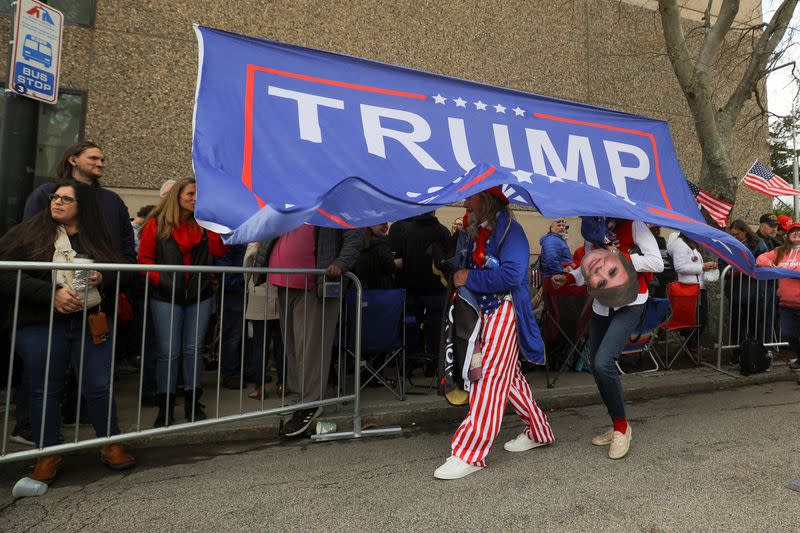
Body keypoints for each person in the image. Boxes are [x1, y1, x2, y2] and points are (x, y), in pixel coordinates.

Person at [0, 180, 136, 482]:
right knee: (44, 388)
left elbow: (126, 273)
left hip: (90, 322)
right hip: (40, 324)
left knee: (99, 384)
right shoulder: (27, 234)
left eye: (66, 199)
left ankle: (109, 443)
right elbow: (5, 273)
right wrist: (52, 294)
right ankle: (47, 453)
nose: (57, 202)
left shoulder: (98, 239)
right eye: (55, 197)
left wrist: (104, 277)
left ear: (82, 207)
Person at [433, 186, 553, 480]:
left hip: (502, 312)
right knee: (508, 377)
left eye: (471, 200)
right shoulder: (481, 229)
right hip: (486, 313)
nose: (465, 203)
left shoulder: (511, 232)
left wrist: (469, 277)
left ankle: (469, 452)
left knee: (488, 377)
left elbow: (513, 275)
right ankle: (539, 431)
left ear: (486, 202)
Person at [553, 217, 664, 460]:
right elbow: (589, 266)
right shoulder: (592, 228)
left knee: (604, 362)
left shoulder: (634, 224)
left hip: (630, 301)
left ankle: (622, 428)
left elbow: (657, 263)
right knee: (595, 364)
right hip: (602, 304)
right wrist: (570, 278)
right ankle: (617, 423)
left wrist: (620, 257)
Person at [137, 177, 226, 427]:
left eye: (199, 195)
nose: (195, 199)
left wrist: (213, 222)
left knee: (193, 350)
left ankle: (192, 403)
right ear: (177, 196)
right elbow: (144, 260)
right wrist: (162, 280)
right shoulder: (157, 224)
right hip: (166, 295)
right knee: (168, 353)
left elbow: (219, 252)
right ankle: (165, 407)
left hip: (200, 295)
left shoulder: (206, 225)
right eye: (190, 194)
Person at [263, 223, 361, 437]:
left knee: (311, 347)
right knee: (292, 347)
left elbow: (354, 237)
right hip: (285, 281)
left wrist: (340, 263)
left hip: (314, 285)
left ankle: (311, 401)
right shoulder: (295, 198)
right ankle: (300, 396)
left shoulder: (334, 200)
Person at [24, 141, 136, 264]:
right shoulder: (45, 193)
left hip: (105, 275)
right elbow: (29, 233)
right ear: (73, 160)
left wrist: (124, 271)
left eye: (102, 160)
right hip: (51, 273)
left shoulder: (112, 200)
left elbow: (127, 240)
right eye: (93, 158)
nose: (100, 164)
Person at [392, 211, 451, 366]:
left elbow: (399, 257)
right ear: (434, 211)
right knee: (436, 329)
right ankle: (433, 365)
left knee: (410, 327)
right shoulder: (443, 231)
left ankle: (408, 363)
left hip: (411, 288)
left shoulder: (406, 230)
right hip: (437, 289)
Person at [756, 222, 800, 377]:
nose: (796, 233)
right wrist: (773, 265)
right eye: (793, 231)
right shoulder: (780, 251)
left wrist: (788, 270)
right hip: (786, 303)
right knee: (789, 335)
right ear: (787, 235)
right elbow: (761, 259)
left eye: (799, 231)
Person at [722, 219, 770, 351]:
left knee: (755, 323)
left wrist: (748, 269)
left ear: (745, 232)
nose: (735, 237)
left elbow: (764, 261)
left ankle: (756, 352)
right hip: (735, 290)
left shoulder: (757, 243)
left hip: (754, 290)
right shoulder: (728, 244)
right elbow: (722, 264)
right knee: (736, 324)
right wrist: (729, 273)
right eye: (733, 235)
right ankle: (737, 352)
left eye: (737, 235)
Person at [667, 233, 717, 329]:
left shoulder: (690, 243)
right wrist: (702, 267)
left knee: (701, 319)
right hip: (688, 289)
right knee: (695, 321)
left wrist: (707, 266)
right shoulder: (680, 244)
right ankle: (690, 343)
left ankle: (692, 342)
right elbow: (680, 267)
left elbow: (694, 264)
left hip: (697, 287)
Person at [352, 223, 396, 290]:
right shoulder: (382, 244)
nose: (386, 226)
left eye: (386, 223)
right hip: (380, 290)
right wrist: (395, 263)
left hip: (362, 289)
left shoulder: (360, 241)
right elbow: (389, 267)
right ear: (371, 226)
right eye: (382, 224)